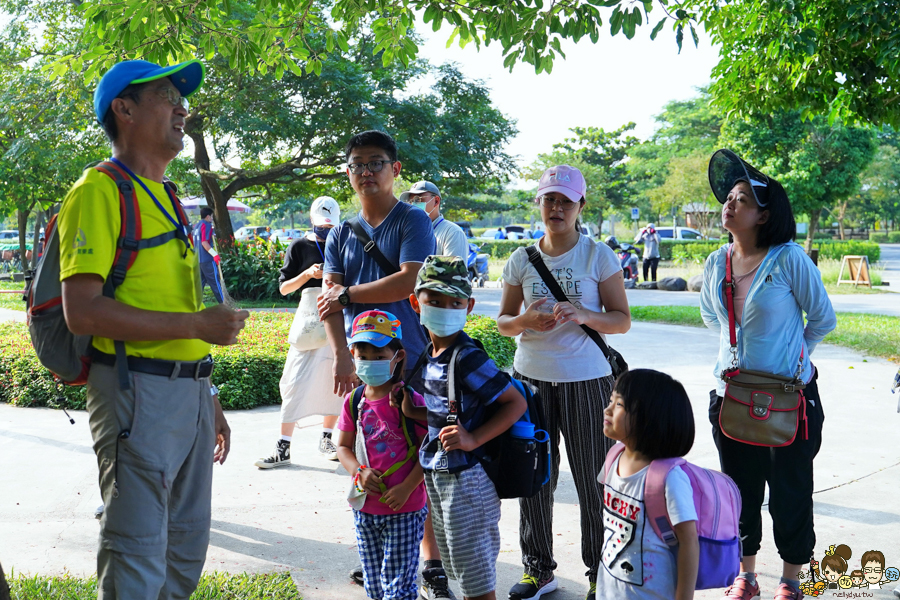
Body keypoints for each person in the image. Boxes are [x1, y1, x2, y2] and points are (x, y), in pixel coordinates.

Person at [59, 58, 248, 598]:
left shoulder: (167, 198)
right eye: (166, 96)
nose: (181, 108)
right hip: (135, 392)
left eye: (180, 98)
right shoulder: (99, 191)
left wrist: (205, 392)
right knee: (137, 554)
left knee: (184, 551)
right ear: (124, 109)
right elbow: (84, 311)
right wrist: (196, 324)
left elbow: (175, 312)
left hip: (186, 396)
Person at [316, 130, 451, 598]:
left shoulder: (412, 219)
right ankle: (380, 547)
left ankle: (428, 559)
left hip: (410, 359)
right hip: (364, 362)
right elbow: (327, 303)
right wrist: (340, 355)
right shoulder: (339, 234)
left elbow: (408, 280)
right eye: (356, 164)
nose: (365, 172)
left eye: (375, 163)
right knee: (373, 452)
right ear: (347, 172)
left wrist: (349, 293)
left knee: (419, 451)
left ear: (395, 170)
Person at [700, 149, 836, 600]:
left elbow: (821, 319)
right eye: (729, 198)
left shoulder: (789, 258)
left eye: (742, 200)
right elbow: (712, 318)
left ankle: (791, 580)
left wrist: (794, 359)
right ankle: (747, 575)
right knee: (738, 492)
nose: (730, 205)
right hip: (732, 395)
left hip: (788, 399)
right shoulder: (715, 261)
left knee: (789, 494)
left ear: (764, 215)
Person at [497, 164, 631, 600]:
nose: (557, 208)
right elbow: (503, 322)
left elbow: (622, 320)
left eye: (565, 201)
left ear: (580, 206)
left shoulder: (598, 255)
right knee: (534, 477)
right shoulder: (521, 259)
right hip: (531, 381)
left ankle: (600, 572)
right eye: (549, 199)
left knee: (596, 479)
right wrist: (523, 320)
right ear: (538, 203)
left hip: (587, 380)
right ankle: (538, 569)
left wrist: (583, 315)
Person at [401, 255, 528, 600]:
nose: (445, 309)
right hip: (442, 475)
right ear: (416, 303)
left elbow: (515, 403)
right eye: (435, 301)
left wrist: (473, 439)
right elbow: (446, 410)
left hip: (467, 480)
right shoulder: (431, 352)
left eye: (454, 302)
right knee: (461, 569)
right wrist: (415, 411)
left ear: (468, 306)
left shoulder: (466, 356)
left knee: (476, 581)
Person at [335, 310, 428, 600]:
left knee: (397, 588)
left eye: (378, 357)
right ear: (353, 355)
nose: (369, 363)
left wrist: (407, 487)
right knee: (375, 587)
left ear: (397, 356)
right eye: (363, 357)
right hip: (364, 509)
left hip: (406, 508)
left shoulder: (411, 401)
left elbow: (430, 449)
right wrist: (358, 470)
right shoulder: (354, 401)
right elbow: (343, 447)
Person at [255, 196, 344, 467]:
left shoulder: (343, 243)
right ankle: (283, 446)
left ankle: (327, 437)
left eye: (330, 227)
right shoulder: (299, 245)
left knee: (334, 383)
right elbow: (283, 288)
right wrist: (307, 275)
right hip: (308, 323)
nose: (325, 231)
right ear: (311, 220)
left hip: (336, 320)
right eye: (321, 226)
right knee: (293, 381)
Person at [598, 369, 699, 600]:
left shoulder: (669, 478)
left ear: (649, 418)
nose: (608, 409)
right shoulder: (614, 457)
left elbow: (689, 541)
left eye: (619, 404)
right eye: (611, 400)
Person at [401, 181, 469, 260]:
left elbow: (453, 271)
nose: (412, 205)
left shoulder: (452, 232)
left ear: (436, 201)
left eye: (417, 200)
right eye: (410, 201)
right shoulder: (408, 231)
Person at [193, 206, 224, 303]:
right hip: (207, 260)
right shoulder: (207, 225)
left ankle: (194, 305)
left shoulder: (196, 226)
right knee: (215, 282)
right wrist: (214, 254)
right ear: (207, 216)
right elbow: (204, 242)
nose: (212, 218)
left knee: (199, 285)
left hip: (198, 260)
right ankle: (224, 303)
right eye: (211, 216)